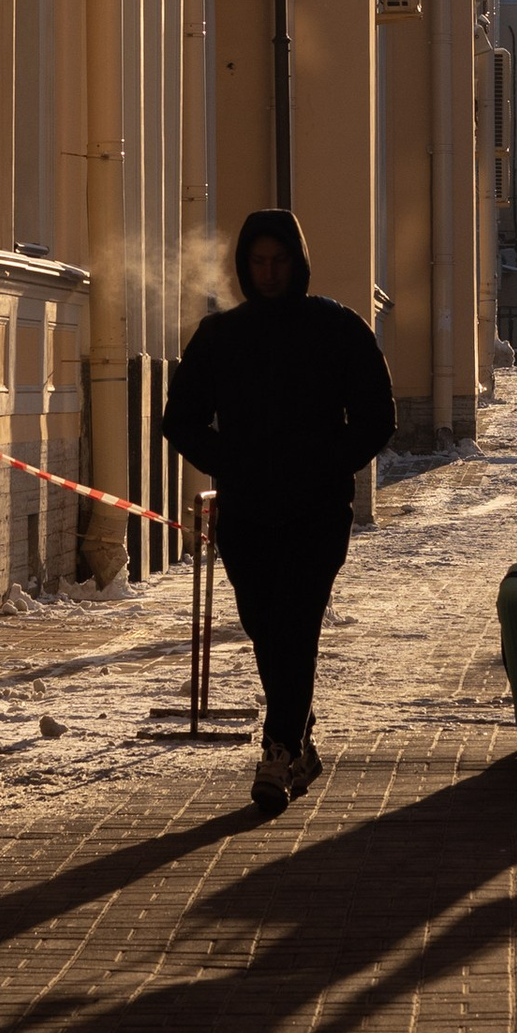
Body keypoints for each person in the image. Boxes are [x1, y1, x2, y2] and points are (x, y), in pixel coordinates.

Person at [162, 206, 398, 816]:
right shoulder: (222, 337)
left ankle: (278, 748)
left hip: (317, 509)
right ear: (244, 266)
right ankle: (299, 735)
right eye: (258, 262)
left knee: (298, 622)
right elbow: (179, 417)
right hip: (246, 511)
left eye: (279, 261)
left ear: (298, 263)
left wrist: (329, 461)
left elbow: (377, 414)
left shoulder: (336, 329)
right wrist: (229, 459)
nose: (269, 273)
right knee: (267, 625)